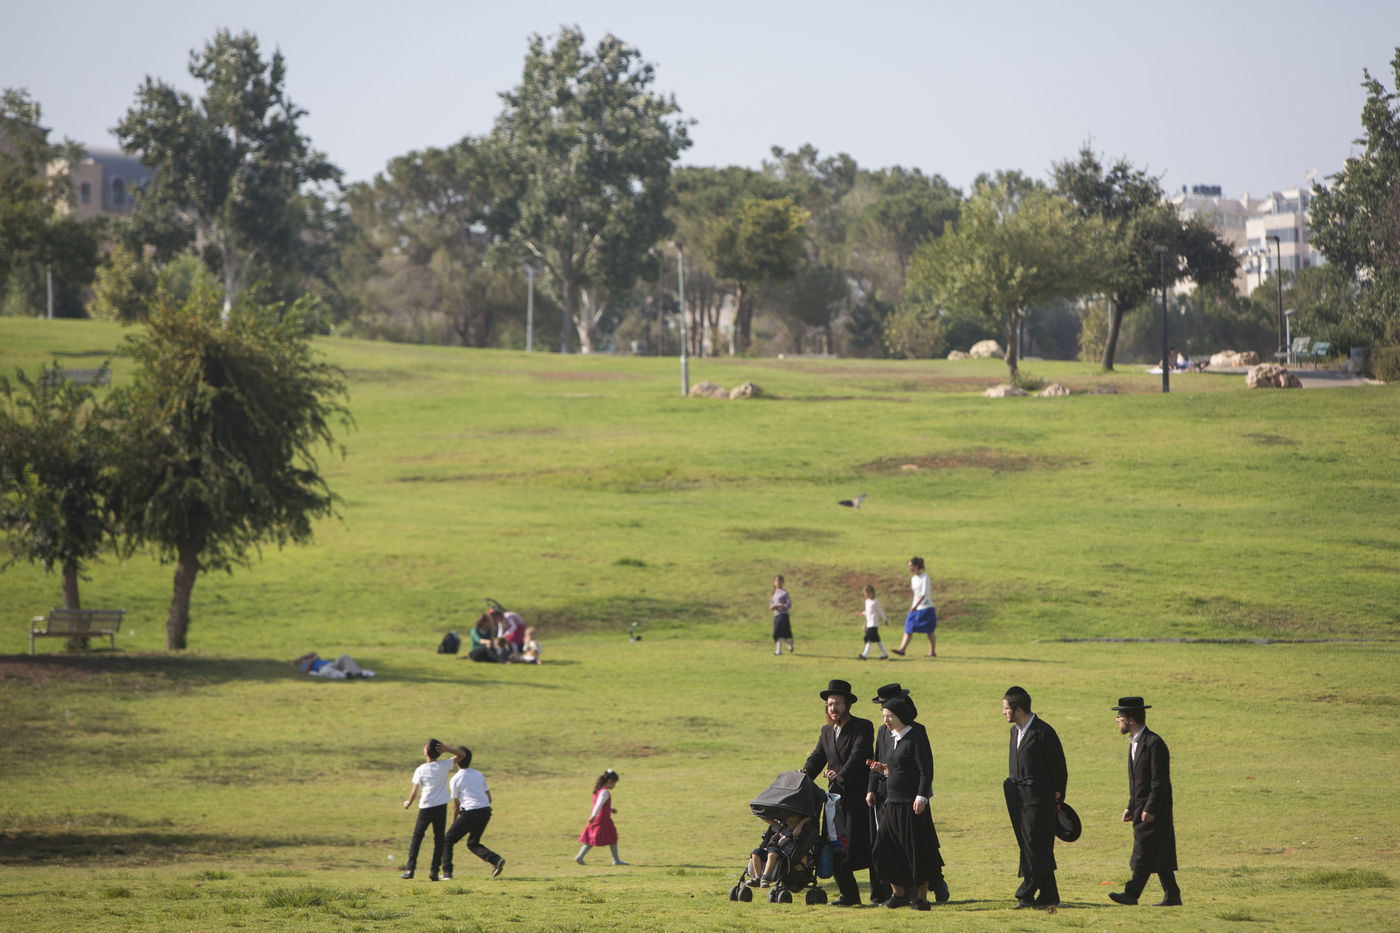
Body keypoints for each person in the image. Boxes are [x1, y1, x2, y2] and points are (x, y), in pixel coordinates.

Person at [866, 692, 947, 910]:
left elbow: (924, 770)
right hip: (891, 803)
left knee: (917, 851)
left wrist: (921, 796)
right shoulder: (889, 738)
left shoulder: (914, 737)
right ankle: (899, 893)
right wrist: (878, 777)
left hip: (912, 806)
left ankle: (921, 899)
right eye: (884, 715)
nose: (885, 720)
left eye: (889, 716)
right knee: (883, 848)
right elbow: (893, 768)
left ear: (900, 715)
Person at [800, 679, 876, 907]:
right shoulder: (826, 732)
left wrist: (840, 774)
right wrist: (802, 776)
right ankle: (849, 895)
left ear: (847, 706)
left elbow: (858, 755)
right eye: (830, 704)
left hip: (859, 798)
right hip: (835, 800)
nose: (833, 709)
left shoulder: (863, 727)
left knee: (865, 848)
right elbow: (817, 758)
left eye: (838, 704)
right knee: (835, 847)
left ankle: (880, 895)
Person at [1108, 697, 1181, 907]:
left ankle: (1131, 894)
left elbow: (1160, 782)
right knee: (1158, 853)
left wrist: (1150, 808)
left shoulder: (1154, 744)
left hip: (1154, 811)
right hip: (1141, 808)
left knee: (1142, 853)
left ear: (1130, 719)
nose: (1117, 720)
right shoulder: (1135, 743)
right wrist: (1130, 806)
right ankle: (1173, 895)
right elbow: (1138, 783)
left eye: (1120, 716)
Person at [1001, 686, 1068, 909]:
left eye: (1006, 708)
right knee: (1032, 846)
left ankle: (1026, 894)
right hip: (1018, 798)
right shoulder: (1014, 732)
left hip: (1040, 800)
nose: (1003, 712)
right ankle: (1049, 895)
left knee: (1035, 846)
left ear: (1018, 709)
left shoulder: (1043, 732)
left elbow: (1059, 768)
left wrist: (1057, 799)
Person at [401, 738, 467, 880]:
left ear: (426, 751)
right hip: (441, 807)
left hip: (426, 807)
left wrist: (408, 803)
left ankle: (410, 869)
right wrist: (447, 749)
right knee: (438, 840)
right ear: (439, 752)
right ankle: (434, 872)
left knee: (417, 838)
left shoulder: (421, 769)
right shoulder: (444, 765)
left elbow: (415, 790)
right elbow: (462, 755)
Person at [441, 747, 506, 881]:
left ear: (458, 759)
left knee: (447, 840)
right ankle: (496, 859)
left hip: (470, 812)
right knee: (473, 843)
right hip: (485, 811)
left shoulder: (455, 779)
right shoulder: (478, 774)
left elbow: (456, 805)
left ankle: (447, 873)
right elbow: (489, 798)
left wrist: (454, 823)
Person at [575, 769, 627, 865]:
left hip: (598, 817)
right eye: (614, 783)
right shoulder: (605, 792)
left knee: (593, 837)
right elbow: (598, 804)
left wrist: (610, 809)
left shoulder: (599, 790)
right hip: (603, 819)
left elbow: (600, 804)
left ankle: (580, 856)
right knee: (612, 836)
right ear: (610, 781)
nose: (614, 786)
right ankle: (616, 860)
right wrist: (594, 816)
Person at [748, 810, 812, 886]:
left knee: (773, 853)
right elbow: (770, 821)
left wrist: (803, 822)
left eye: (792, 822)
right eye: (788, 821)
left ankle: (766, 877)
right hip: (770, 850)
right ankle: (758, 877)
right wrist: (758, 812)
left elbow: (795, 833)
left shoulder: (796, 831)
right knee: (756, 852)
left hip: (783, 854)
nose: (789, 822)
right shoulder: (781, 828)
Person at [891, 557, 937, 658]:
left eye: (911, 566)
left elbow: (923, 594)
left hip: (926, 608)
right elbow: (916, 594)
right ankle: (902, 649)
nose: (909, 568)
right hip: (915, 608)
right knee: (908, 628)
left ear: (917, 566)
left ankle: (932, 652)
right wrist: (913, 606)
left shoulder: (925, 577)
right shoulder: (913, 579)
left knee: (929, 631)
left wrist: (916, 606)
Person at [857, 585, 889, 660]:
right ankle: (885, 654)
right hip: (869, 624)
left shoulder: (876, 602)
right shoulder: (867, 602)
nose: (865, 594)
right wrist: (862, 613)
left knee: (869, 639)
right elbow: (868, 612)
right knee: (878, 640)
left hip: (873, 624)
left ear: (871, 592)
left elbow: (880, 611)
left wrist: (885, 619)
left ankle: (865, 655)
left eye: (866, 593)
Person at [293, 652, 374, 678]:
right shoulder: (304, 665)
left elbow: (313, 653)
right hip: (323, 668)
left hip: (332, 664)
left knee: (344, 656)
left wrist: (299, 658)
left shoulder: (317, 659)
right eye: (308, 658)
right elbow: (306, 672)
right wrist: (309, 663)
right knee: (327, 671)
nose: (310, 658)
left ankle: (358, 673)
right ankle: (346, 675)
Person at [770, 575, 794, 655]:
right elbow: (771, 605)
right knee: (779, 634)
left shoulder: (785, 593)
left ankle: (778, 651)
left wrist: (781, 605)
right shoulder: (773, 593)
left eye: (780, 581)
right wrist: (773, 606)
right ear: (774, 582)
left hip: (783, 615)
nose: (778, 583)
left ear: (783, 582)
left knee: (779, 633)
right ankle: (789, 642)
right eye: (777, 581)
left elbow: (789, 604)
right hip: (776, 615)